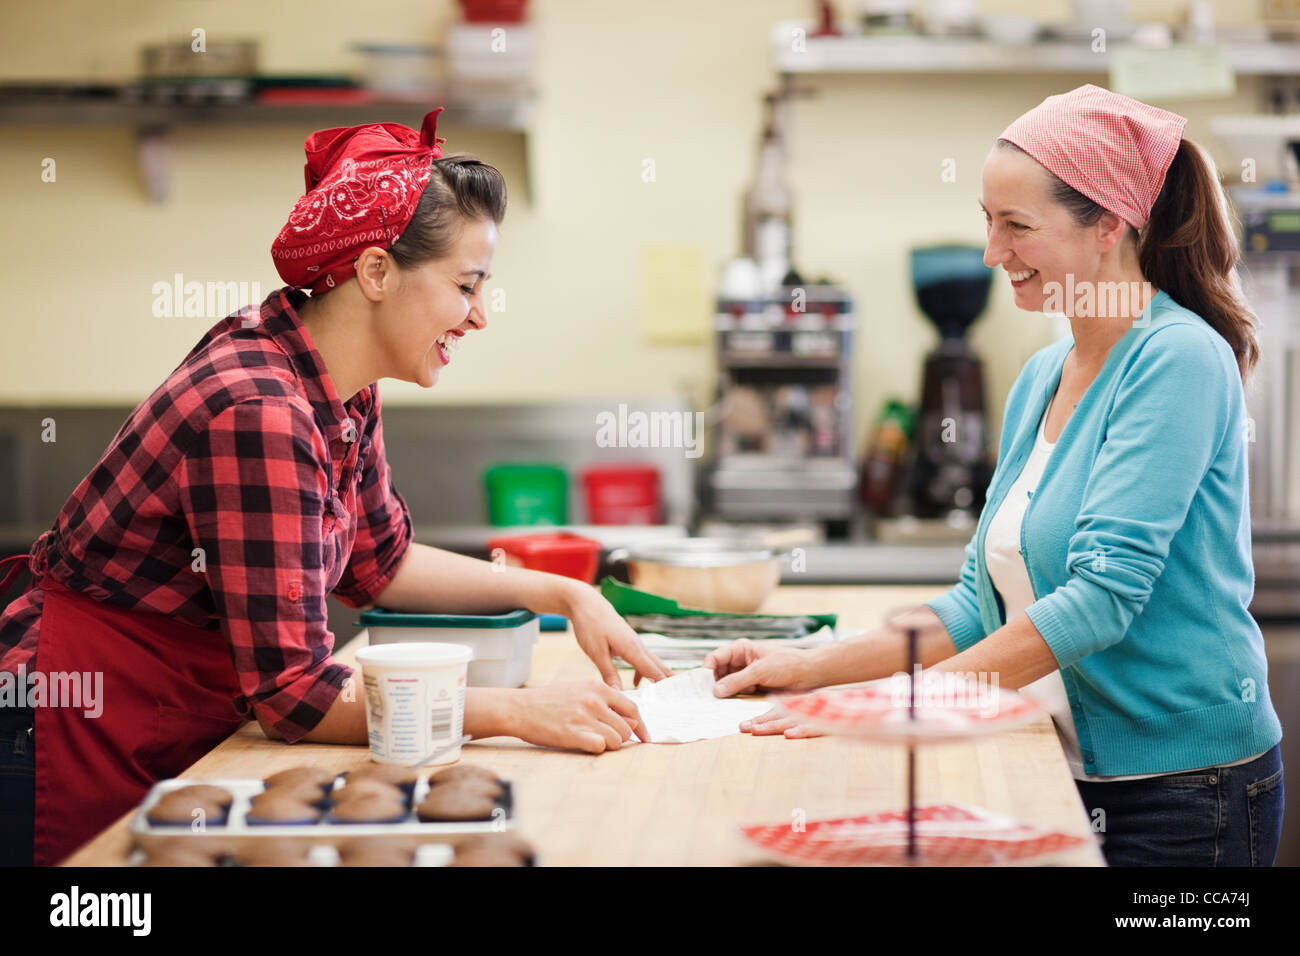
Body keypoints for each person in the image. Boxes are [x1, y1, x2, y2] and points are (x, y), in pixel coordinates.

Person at [0, 108, 671, 867]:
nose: (480, 315)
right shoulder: (262, 412)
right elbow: (293, 696)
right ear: (376, 271)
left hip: (165, 709)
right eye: (466, 285)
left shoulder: (338, 387)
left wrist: (564, 593)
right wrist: (520, 711)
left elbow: (380, 562)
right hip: (70, 719)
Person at [707, 85, 1284, 867]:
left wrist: (897, 704)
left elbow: (1102, 600)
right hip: (1071, 770)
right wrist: (810, 671)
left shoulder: (1176, 359)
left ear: (1108, 224)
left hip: (1183, 793)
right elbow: (980, 607)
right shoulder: (1044, 374)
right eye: (988, 221)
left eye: (1017, 226)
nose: (991, 253)